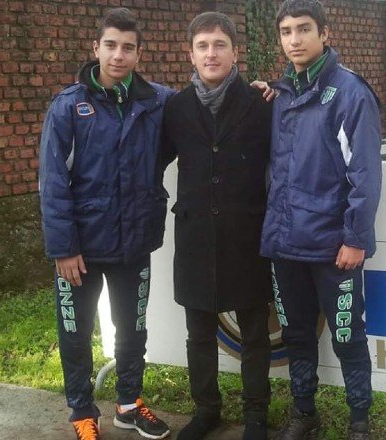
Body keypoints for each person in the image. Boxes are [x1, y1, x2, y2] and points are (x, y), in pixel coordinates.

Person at [39, 7, 174, 440]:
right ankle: (82, 411)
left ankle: (129, 404)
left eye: (128, 48)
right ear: (95, 47)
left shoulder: (158, 102)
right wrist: (63, 248)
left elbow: (207, 105)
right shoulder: (68, 106)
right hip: (80, 249)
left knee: (133, 330)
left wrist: (260, 91)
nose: (119, 55)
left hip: (134, 243)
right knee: (75, 333)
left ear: (138, 53)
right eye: (111, 45)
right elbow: (52, 182)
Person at [260, 1, 383, 439]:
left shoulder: (350, 92)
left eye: (304, 29)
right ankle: (304, 413)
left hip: (335, 247)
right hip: (285, 243)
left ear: (324, 33)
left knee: (347, 336)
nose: (294, 39)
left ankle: (359, 421)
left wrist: (356, 238)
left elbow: (365, 173)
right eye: (286, 31)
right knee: (296, 336)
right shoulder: (279, 95)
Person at [161, 12, 273, 440]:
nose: (211, 53)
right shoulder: (175, 108)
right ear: (190, 54)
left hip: (246, 237)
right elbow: (151, 161)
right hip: (195, 238)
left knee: (254, 333)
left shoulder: (261, 103)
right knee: (199, 334)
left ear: (235, 52)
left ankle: (256, 415)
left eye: (219, 45)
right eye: (203, 46)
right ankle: (206, 410)